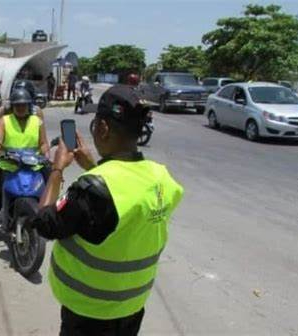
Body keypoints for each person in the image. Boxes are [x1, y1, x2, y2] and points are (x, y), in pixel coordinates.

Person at [28, 85, 184, 335]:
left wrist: (57, 169)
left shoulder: (92, 189)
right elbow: (119, 201)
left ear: (102, 128)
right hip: (132, 306)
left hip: (90, 312)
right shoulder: (161, 177)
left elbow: (45, 223)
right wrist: (93, 166)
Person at [0, 88, 50, 241]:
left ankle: (48, 219)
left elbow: (43, 143)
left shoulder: (37, 121)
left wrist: (45, 154)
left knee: (50, 181)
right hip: (9, 163)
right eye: (17, 105)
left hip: (32, 162)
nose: (21, 108)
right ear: (12, 107)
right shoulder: (4, 121)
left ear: (29, 106)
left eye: (24, 105)